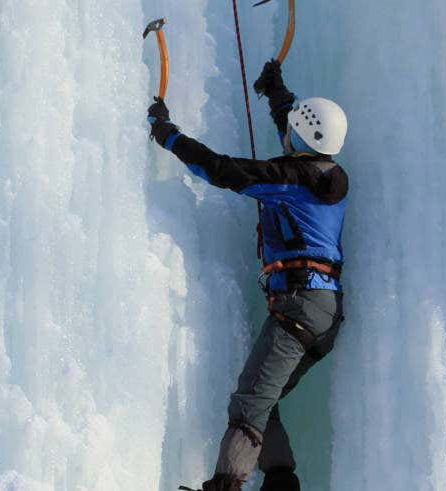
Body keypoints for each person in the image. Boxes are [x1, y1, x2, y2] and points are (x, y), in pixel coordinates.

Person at [149, 60, 349, 491]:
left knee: (248, 406)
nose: (288, 135)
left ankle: (226, 485)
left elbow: (223, 170)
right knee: (265, 398)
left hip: (299, 307)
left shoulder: (290, 179)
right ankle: (280, 483)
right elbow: (296, 125)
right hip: (325, 313)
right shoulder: (325, 175)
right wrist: (275, 89)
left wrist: (169, 136)